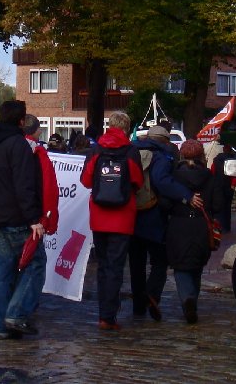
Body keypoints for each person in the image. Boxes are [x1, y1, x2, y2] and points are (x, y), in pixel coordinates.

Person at [0, 101, 46, 340]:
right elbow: (24, 185)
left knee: (3, 275)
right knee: (35, 265)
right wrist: (33, 218)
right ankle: (15, 313)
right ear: (21, 121)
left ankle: (1, 325)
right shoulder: (19, 145)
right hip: (17, 218)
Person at [129, 126, 201, 321]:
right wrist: (186, 195)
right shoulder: (161, 155)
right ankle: (151, 294)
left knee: (136, 263)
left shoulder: (131, 151)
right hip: (153, 216)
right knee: (160, 261)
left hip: (131, 214)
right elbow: (162, 181)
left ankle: (138, 306)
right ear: (165, 140)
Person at [80, 112, 143, 331]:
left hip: (99, 215)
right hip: (123, 216)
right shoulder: (131, 151)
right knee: (116, 266)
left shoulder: (96, 150)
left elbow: (86, 180)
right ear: (126, 128)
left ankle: (103, 313)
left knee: (103, 265)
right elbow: (138, 180)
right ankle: (109, 315)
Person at [167, 139, 224, 324]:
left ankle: (187, 298)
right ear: (202, 156)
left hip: (178, 224)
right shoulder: (209, 176)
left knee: (181, 265)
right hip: (201, 226)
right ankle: (193, 299)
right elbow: (218, 204)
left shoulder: (174, 177)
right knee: (196, 266)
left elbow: (165, 202)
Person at [23, 114, 59, 234]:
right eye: (39, 128)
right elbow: (48, 187)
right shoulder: (39, 153)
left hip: (6, 215)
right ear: (34, 130)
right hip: (33, 215)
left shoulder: (7, 147)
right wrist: (49, 220)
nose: (40, 131)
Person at [210, 145, 236, 233]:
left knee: (219, 206)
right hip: (228, 185)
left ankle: (219, 226)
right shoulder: (232, 160)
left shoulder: (216, 160)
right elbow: (234, 174)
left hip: (217, 186)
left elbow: (212, 172)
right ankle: (227, 227)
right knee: (227, 207)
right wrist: (233, 185)